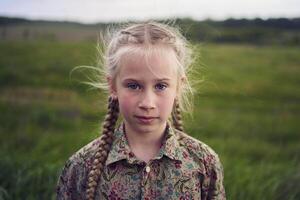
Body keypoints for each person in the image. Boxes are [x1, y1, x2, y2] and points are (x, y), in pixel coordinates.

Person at [56, 21, 226, 200]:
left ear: (178, 87)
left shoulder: (204, 162)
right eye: (133, 85)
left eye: (160, 86)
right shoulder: (82, 165)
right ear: (113, 86)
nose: (147, 103)